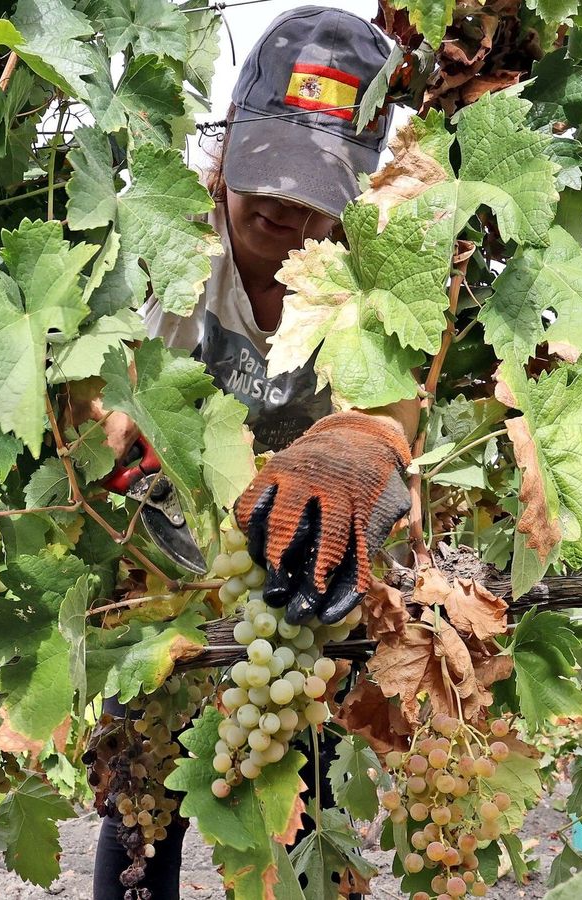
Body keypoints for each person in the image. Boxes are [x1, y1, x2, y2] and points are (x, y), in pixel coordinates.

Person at [89, 7, 419, 898]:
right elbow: (109, 388)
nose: (281, 204)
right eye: (266, 170)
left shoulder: (368, 273)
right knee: (138, 810)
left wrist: (366, 443)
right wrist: (118, 425)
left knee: (298, 806)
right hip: (167, 582)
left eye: (315, 183)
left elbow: (394, 416)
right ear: (227, 144)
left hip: (301, 594)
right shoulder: (172, 249)